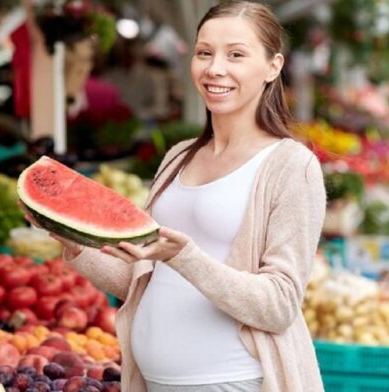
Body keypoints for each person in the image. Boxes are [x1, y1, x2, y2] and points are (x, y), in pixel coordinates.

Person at [26, 2, 326, 391]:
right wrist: (74, 241)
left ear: (273, 66)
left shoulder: (290, 166)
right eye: (204, 53)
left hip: (233, 381)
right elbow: (141, 280)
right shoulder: (178, 157)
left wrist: (185, 258)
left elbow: (279, 305)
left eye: (236, 54)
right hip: (152, 381)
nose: (215, 68)